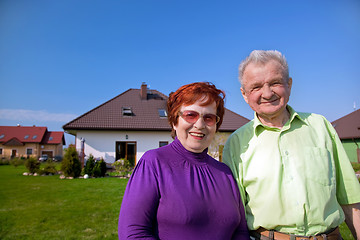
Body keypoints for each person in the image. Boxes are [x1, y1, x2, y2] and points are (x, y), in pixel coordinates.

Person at [223, 50, 360, 240]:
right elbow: (235, 214)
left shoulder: (320, 126)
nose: (267, 93)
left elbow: (350, 198)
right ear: (244, 94)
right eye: (256, 87)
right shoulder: (236, 143)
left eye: (275, 82)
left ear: (289, 84)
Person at [118, 82, 250, 240]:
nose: (199, 125)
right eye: (190, 115)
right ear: (175, 121)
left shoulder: (225, 173)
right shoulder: (154, 163)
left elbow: (240, 233)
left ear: (216, 125)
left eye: (209, 118)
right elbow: (133, 233)